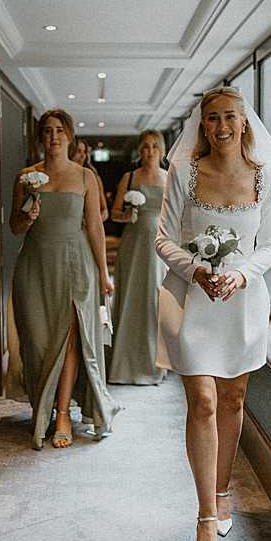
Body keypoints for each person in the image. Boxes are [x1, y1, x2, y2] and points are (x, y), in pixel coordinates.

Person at [155, 85, 271, 541]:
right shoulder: (185, 173)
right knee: (203, 400)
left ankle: (221, 489)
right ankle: (205, 517)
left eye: (229, 117)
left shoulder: (265, 176)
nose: (221, 126)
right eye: (212, 118)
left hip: (243, 301)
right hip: (192, 300)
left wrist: (240, 275)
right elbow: (163, 239)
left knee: (233, 400)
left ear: (244, 122)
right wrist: (197, 270)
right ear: (203, 124)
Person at [9, 109, 120, 450]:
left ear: (70, 136)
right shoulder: (25, 177)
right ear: (40, 137)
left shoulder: (85, 177)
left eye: (59, 130)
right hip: (34, 267)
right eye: (47, 131)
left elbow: (95, 227)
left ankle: (62, 415)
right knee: (38, 343)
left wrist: (103, 273)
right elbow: (14, 227)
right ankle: (41, 409)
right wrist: (27, 218)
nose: (53, 136)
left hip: (75, 265)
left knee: (70, 341)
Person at [106, 130, 169, 385]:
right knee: (131, 297)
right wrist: (126, 214)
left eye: (154, 146)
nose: (149, 151)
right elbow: (114, 213)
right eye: (145, 146)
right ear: (139, 150)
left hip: (158, 247)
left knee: (154, 299)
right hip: (133, 243)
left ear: (161, 150)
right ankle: (124, 365)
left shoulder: (168, 177)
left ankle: (153, 366)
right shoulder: (129, 177)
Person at [72, 138, 110, 222]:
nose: (82, 156)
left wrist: (92, 223)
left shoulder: (93, 177)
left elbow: (104, 211)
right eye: (78, 151)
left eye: (85, 152)